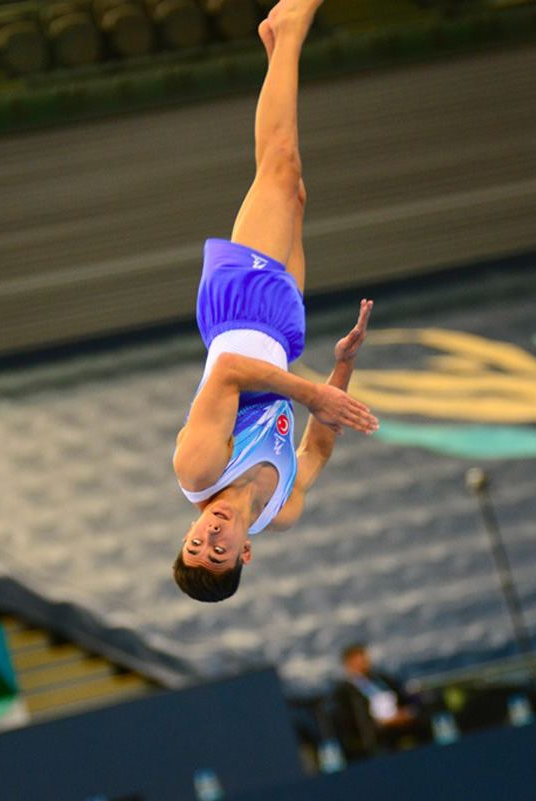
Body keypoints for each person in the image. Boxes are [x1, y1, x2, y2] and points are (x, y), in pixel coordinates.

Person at [171, 0, 379, 603]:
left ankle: (289, 27)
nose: (209, 534)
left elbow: (232, 372)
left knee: (281, 166)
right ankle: (274, 45)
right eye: (218, 551)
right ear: (246, 553)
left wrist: (313, 391)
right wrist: (343, 363)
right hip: (283, 332)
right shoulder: (280, 511)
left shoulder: (199, 469)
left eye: (194, 542)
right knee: (296, 192)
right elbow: (317, 444)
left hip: (238, 314)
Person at [331, 643, 431, 761]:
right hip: (377, 734)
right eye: (357, 662)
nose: (363, 665)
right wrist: (379, 723)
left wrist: (406, 712)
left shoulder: (383, 680)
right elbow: (349, 723)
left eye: (364, 660)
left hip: (402, 722)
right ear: (348, 665)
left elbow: (403, 697)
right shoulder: (345, 693)